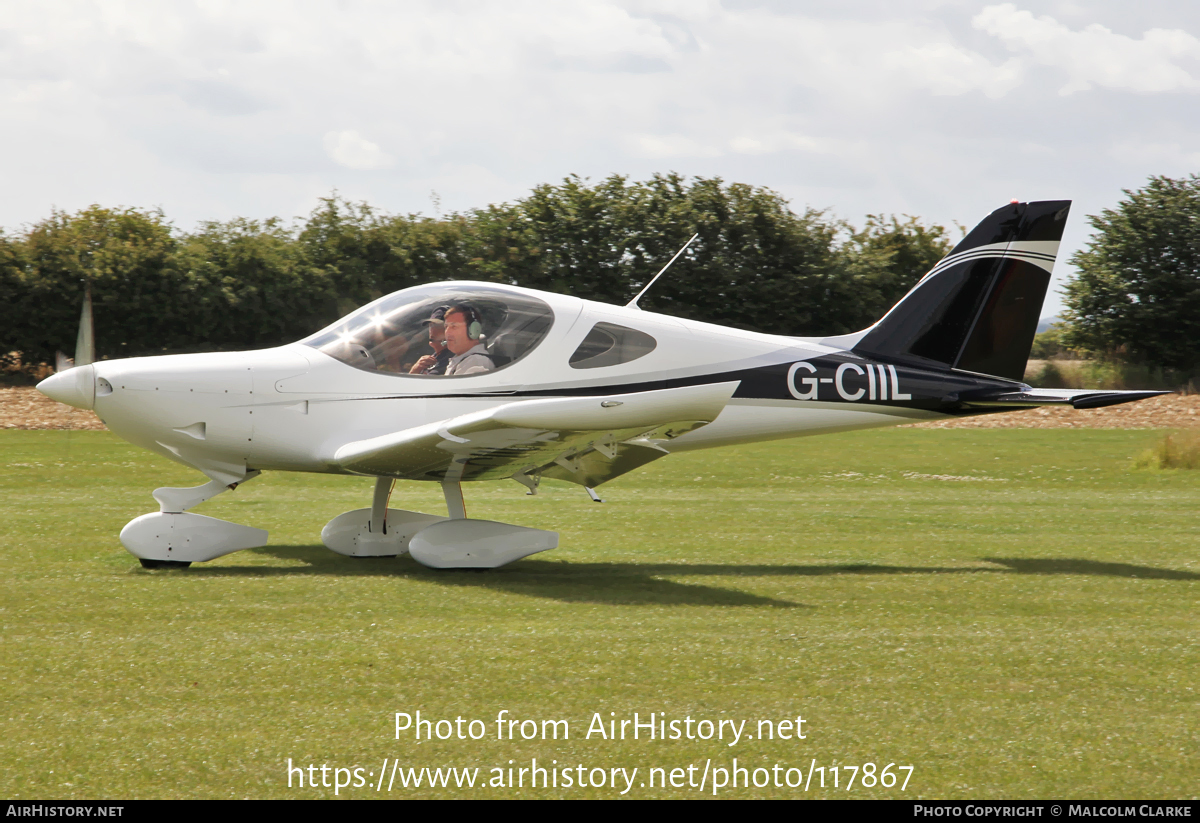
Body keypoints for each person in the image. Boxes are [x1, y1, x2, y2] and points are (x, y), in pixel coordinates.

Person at [443, 304, 495, 375]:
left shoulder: (476, 362)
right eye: (446, 326)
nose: (447, 332)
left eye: (454, 326)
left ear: (473, 330)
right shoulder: (463, 359)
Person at [408, 306, 453, 375]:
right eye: (431, 325)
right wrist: (415, 370)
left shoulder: (449, 360)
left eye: (438, 326)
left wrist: (414, 372)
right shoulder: (435, 357)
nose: (432, 330)